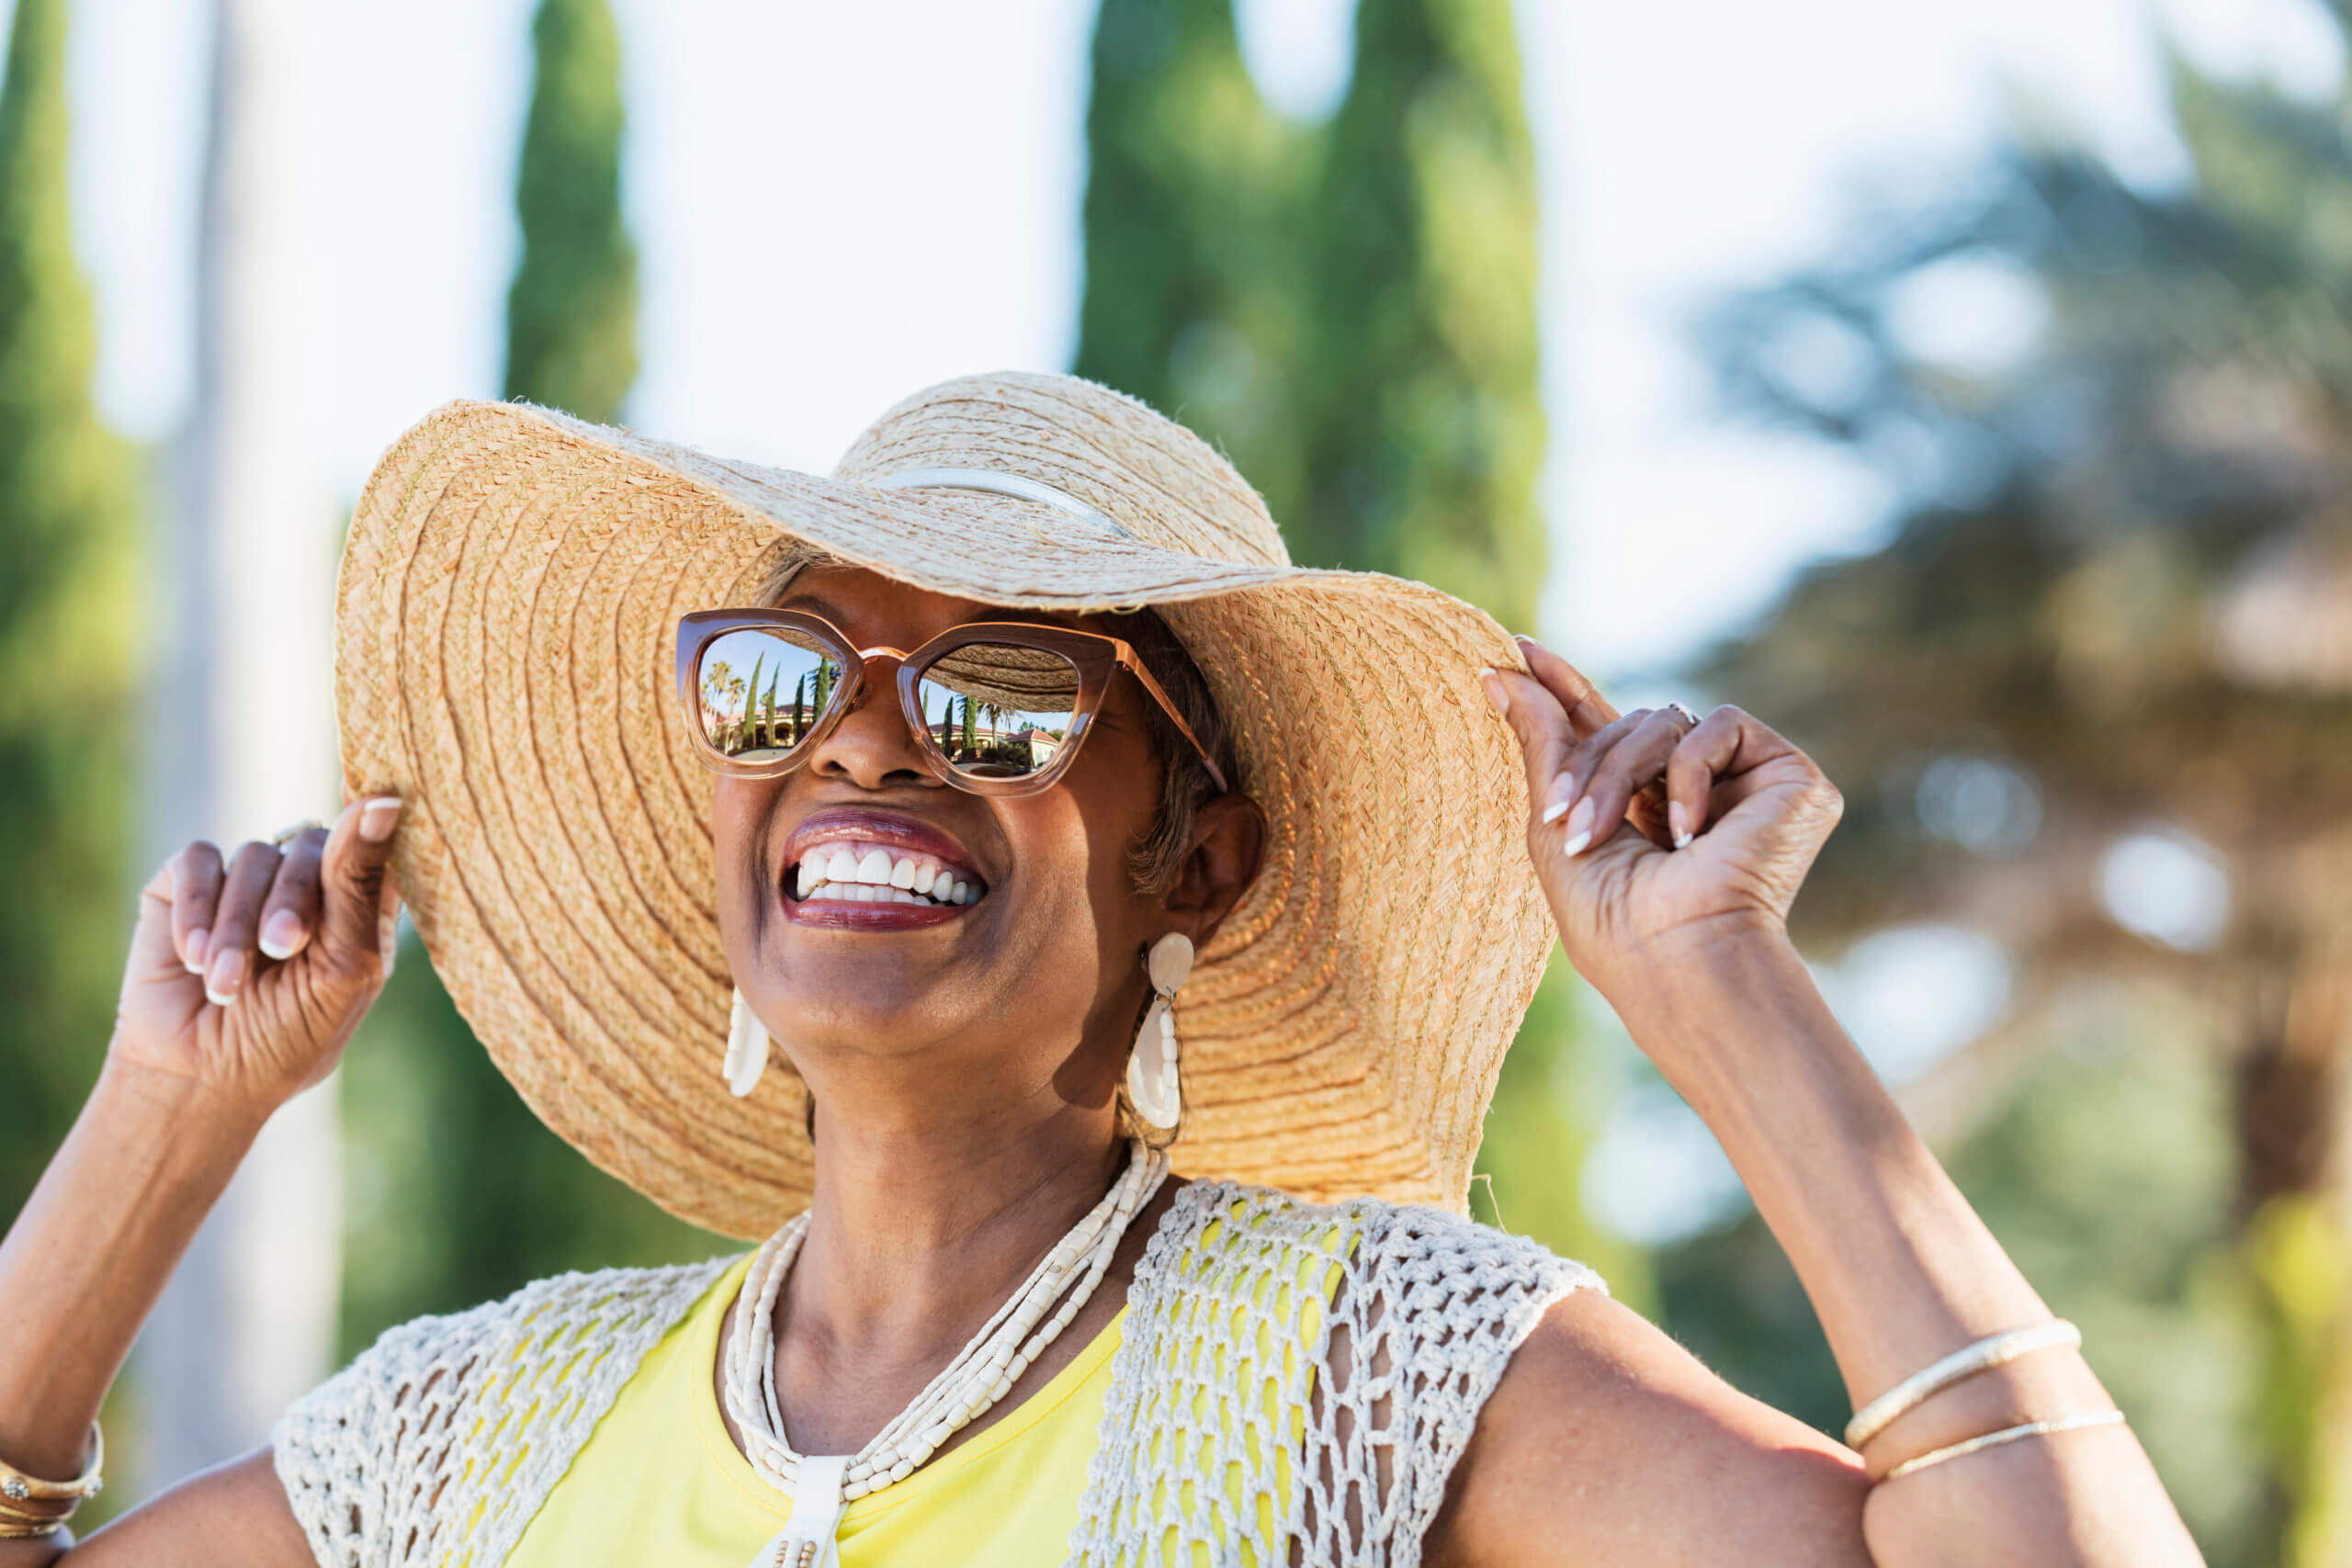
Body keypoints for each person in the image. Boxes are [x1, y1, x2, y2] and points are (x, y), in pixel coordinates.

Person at [0, 373, 2202, 1567]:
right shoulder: (479, 1431)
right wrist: (163, 1118)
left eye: (1000, 697)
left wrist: (1721, 993)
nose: (862, 733)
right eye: (782, 682)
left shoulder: (1378, 1369)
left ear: (1197, 856)